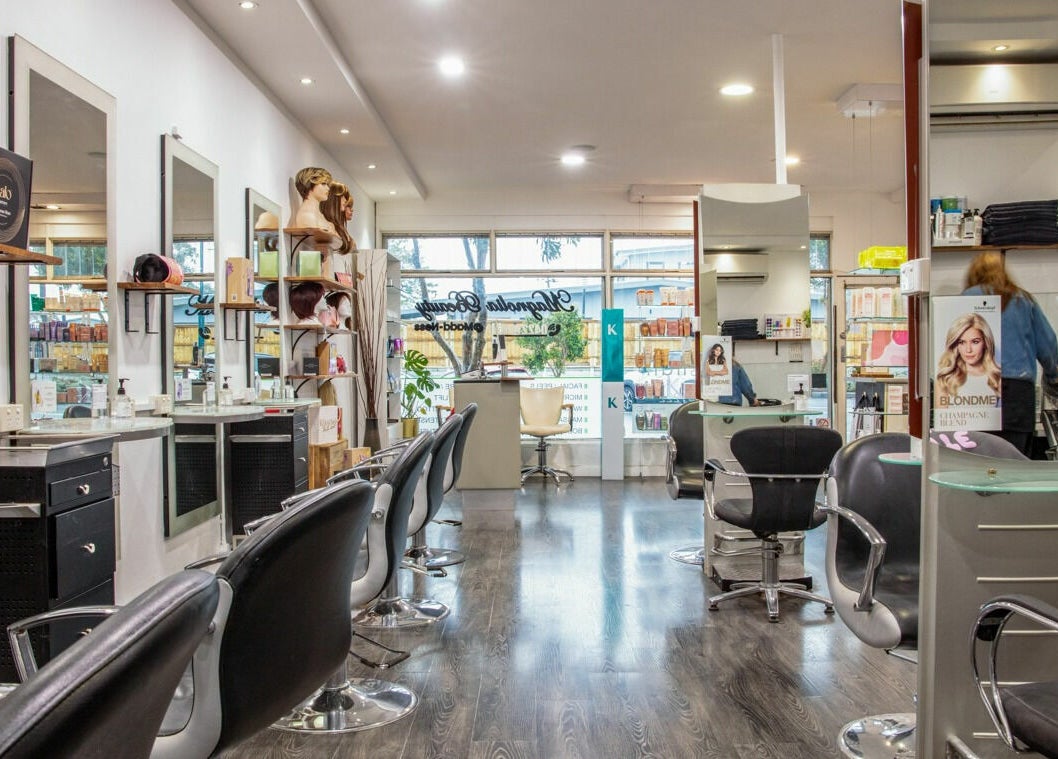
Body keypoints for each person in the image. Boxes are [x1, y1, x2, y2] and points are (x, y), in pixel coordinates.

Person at [963, 250, 1058, 455]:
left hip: (976, 391)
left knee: (976, 463)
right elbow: (1048, 347)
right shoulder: (1023, 300)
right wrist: (1053, 377)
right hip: (1017, 393)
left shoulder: (965, 299)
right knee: (1014, 464)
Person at [935, 313, 1002, 399]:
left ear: (986, 343)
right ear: (956, 345)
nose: (968, 350)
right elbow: (941, 412)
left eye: (975, 342)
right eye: (962, 342)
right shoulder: (945, 378)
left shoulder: (997, 377)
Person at [293, 166, 336, 233]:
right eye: (323, 183)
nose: (328, 188)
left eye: (327, 184)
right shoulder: (307, 215)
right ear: (309, 184)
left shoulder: (317, 215)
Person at [320, 180, 355, 254]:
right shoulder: (325, 225)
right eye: (342, 196)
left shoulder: (337, 227)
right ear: (333, 199)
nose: (345, 200)